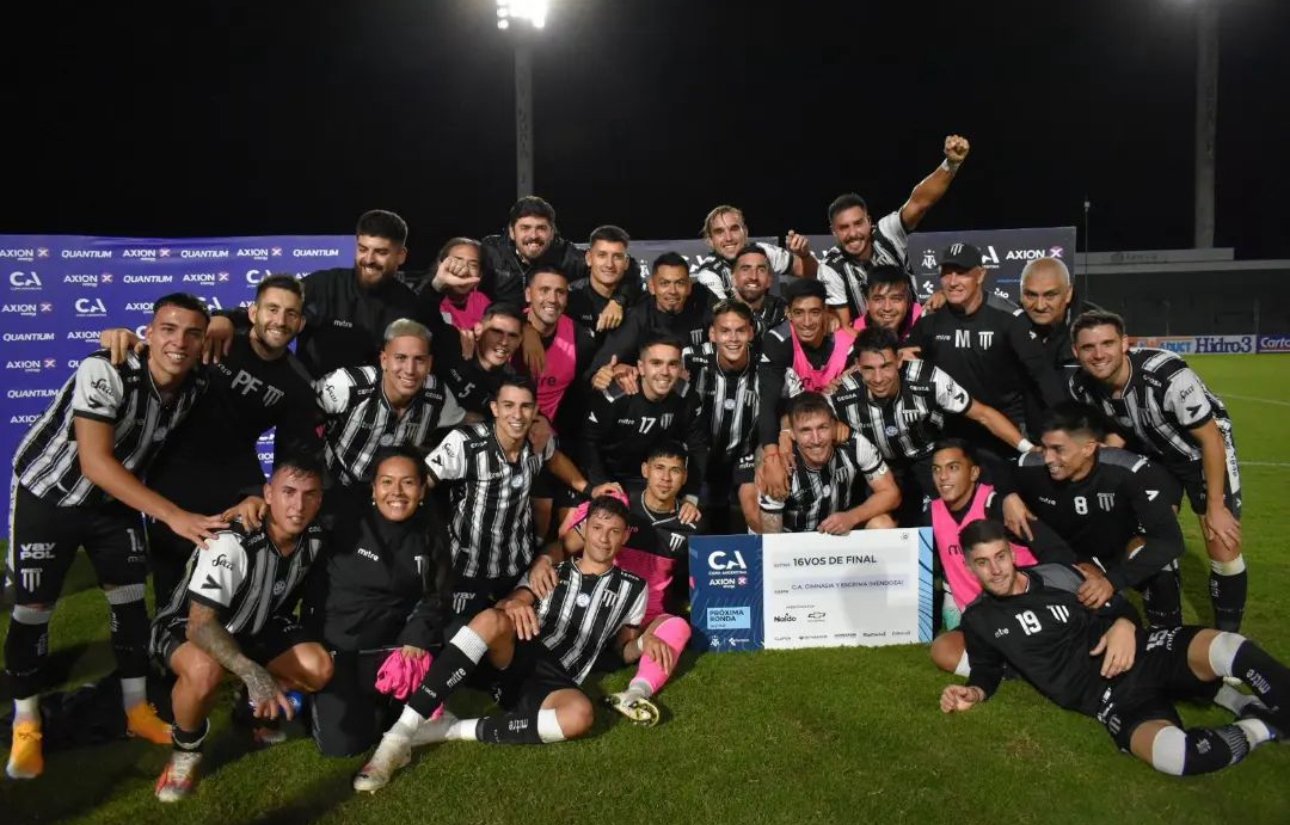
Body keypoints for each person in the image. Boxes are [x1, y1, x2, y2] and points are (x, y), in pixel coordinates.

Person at [5, 294, 222, 780]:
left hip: (112, 503)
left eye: (193, 333)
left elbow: (251, 325)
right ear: (149, 332)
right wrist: (173, 516)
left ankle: (136, 710)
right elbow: (94, 463)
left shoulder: (197, 383)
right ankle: (26, 722)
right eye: (168, 329)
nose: (180, 342)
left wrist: (227, 322)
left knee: (129, 602)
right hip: (50, 494)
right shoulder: (106, 368)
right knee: (33, 607)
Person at [941, 519, 1289, 777]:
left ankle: (1254, 704)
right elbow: (986, 669)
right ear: (969, 566)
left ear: (1012, 553)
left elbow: (1119, 607)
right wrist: (974, 692)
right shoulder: (979, 619)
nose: (996, 570)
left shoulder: (1057, 575)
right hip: (1106, 696)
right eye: (982, 562)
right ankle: (1264, 727)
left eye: (1000, 556)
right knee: (1177, 756)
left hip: (1141, 652)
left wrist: (1124, 624)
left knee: (1226, 646)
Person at [352, 496, 650, 793]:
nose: (604, 538)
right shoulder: (551, 570)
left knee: (580, 715)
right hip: (522, 649)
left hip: (557, 680)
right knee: (491, 619)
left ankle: (450, 729)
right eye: (597, 528)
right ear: (583, 529)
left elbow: (622, 650)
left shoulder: (635, 588)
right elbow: (511, 602)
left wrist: (644, 643)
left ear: (625, 535)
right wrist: (515, 603)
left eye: (614, 531)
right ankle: (398, 736)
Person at [100, 274, 322, 602]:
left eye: (291, 314)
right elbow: (162, 349)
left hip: (231, 484)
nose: (280, 320)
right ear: (253, 313)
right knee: (169, 589)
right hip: (170, 474)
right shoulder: (218, 336)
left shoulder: (299, 384)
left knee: (222, 589)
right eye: (272, 309)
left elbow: (290, 457)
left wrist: (260, 494)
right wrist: (123, 337)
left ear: (300, 323)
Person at [149, 454, 333, 801]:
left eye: (309, 494)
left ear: (320, 499)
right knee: (205, 671)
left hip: (258, 626)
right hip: (187, 624)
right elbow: (200, 625)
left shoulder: (316, 535)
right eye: (288, 492)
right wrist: (252, 672)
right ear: (268, 493)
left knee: (318, 667)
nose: (298, 506)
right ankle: (186, 749)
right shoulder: (233, 539)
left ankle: (247, 710)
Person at [1068, 310, 1246, 630]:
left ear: (1125, 343)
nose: (1098, 354)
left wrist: (1215, 507)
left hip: (1199, 453)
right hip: (1152, 456)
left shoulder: (1167, 375)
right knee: (1146, 544)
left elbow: (1211, 439)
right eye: (1088, 347)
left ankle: (1226, 637)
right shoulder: (1081, 387)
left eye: (1107, 343)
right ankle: (1168, 636)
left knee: (1222, 540)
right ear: (1075, 352)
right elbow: (1116, 429)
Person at [304, 447, 455, 757]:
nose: (396, 492)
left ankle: (385, 699)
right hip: (340, 649)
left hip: (393, 649)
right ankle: (315, 697)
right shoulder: (344, 517)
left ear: (422, 489)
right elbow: (296, 508)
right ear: (373, 488)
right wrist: (255, 499)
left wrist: (416, 636)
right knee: (343, 746)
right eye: (387, 482)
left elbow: (438, 593)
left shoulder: (431, 529)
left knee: (459, 632)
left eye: (408, 483)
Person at [425, 378, 611, 618]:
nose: (517, 414)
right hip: (465, 568)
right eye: (509, 405)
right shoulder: (465, 443)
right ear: (495, 408)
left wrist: (590, 489)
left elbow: (554, 459)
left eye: (525, 406)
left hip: (516, 565)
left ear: (535, 410)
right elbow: (422, 481)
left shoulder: (537, 440)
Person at [544, 443, 698, 725]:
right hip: (605, 607)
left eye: (675, 471)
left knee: (678, 626)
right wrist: (543, 561)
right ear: (645, 470)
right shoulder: (620, 508)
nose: (666, 478)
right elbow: (566, 546)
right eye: (659, 468)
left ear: (684, 477)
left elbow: (697, 583)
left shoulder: (691, 524)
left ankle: (636, 692)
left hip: (647, 617)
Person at [996, 402, 1187, 628]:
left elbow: (1170, 541)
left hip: (1120, 551)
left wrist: (1112, 581)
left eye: (1058, 449)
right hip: (1067, 556)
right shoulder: (1033, 466)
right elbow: (997, 471)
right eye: (1044, 447)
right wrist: (1008, 495)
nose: (1048, 458)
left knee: (1163, 568)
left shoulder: (1127, 472)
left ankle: (1166, 633)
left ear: (1088, 448)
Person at [830, 326, 1035, 524]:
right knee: (879, 523)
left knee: (945, 513)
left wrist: (1029, 449)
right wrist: (833, 426)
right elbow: (811, 420)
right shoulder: (842, 393)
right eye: (868, 369)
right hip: (880, 467)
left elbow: (983, 414)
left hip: (928, 457)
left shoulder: (929, 379)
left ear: (899, 360)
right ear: (857, 365)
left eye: (886, 366)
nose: (878, 378)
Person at [924, 440, 1076, 676]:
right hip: (981, 618)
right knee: (944, 650)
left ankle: (1025, 660)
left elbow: (1056, 551)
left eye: (953, 468)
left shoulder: (999, 506)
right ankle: (1018, 668)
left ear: (974, 473)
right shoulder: (931, 513)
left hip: (1027, 608)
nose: (943, 477)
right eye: (937, 470)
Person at [206, 210, 420, 377]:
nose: (369, 259)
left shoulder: (411, 306)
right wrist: (225, 319)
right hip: (310, 405)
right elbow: (273, 313)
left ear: (401, 255)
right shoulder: (323, 284)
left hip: (373, 412)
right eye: (363, 249)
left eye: (381, 252)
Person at [904, 242, 1066, 455]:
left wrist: (1068, 428)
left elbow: (1043, 376)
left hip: (1005, 431)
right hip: (950, 431)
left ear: (980, 275)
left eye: (962, 273)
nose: (952, 281)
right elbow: (906, 361)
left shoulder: (1009, 318)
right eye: (946, 273)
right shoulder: (930, 317)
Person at [315, 319, 465, 518]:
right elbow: (299, 419)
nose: (410, 369)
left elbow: (469, 427)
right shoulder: (348, 385)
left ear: (430, 364)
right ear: (384, 360)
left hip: (394, 503)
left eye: (419, 360)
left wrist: (433, 470)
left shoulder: (438, 397)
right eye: (400, 358)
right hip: (335, 491)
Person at [818, 135, 970, 325]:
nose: (853, 233)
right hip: (866, 338)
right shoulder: (830, 267)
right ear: (833, 232)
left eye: (858, 223)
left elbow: (920, 203)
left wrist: (951, 165)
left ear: (869, 222)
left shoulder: (886, 234)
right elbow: (844, 329)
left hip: (913, 329)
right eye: (843, 228)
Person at [581, 335, 709, 507]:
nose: (665, 372)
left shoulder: (687, 397)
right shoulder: (616, 395)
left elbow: (698, 446)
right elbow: (588, 442)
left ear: (680, 368)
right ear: (641, 367)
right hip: (609, 476)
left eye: (672, 364)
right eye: (656, 363)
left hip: (653, 480)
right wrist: (600, 484)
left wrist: (690, 497)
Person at [756, 279, 857, 496]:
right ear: (788, 314)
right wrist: (773, 454)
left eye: (815, 312)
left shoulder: (848, 344)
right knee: (770, 473)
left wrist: (838, 423)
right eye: (799, 313)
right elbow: (768, 402)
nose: (807, 322)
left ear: (826, 312)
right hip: (789, 429)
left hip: (833, 428)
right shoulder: (778, 341)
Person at [756, 393, 900, 534]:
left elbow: (891, 493)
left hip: (840, 532)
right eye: (806, 430)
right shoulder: (779, 466)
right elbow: (771, 538)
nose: (816, 439)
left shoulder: (854, 445)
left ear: (834, 426)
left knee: (883, 524)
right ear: (792, 434)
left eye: (822, 427)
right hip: (794, 540)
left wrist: (851, 517)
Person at [684, 300, 762, 532]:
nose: (733, 338)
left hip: (744, 458)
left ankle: (774, 554)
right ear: (712, 334)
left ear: (751, 333)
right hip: (697, 458)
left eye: (740, 331)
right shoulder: (689, 359)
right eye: (725, 331)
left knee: (756, 516)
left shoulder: (767, 366)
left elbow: (795, 406)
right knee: (695, 525)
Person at [481, 196, 628, 308]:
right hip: (501, 330)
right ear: (512, 232)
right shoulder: (491, 251)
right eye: (525, 228)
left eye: (541, 228)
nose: (533, 235)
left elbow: (627, 267)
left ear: (552, 232)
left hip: (548, 329)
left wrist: (618, 301)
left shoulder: (565, 255)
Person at [588, 252, 715, 376]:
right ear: (652, 287)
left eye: (680, 283)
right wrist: (615, 371)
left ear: (689, 287)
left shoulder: (702, 306)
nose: (672, 291)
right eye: (664, 283)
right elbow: (598, 369)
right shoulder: (638, 318)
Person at [690, 206, 816, 300]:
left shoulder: (764, 252)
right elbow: (725, 320)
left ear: (745, 232)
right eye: (719, 232)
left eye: (734, 229)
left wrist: (804, 256)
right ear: (710, 241)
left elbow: (812, 273)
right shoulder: (709, 275)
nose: (728, 238)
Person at [1019, 256, 1100, 371]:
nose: (1040, 306)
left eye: (1050, 295)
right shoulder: (1006, 323)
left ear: (1068, 293)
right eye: (1031, 295)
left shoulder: (1098, 324)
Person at [565, 224, 645, 338]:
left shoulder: (640, 302)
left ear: (626, 263)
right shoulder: (570, 298)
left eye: (617, 257)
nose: (609, 264)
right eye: (602, 255)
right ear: (589, 258)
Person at [725, 244, 788, 339]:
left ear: (769, 280)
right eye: (745, 269)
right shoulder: (720, 312)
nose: (753, 277)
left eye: (761, 270)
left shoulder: (782, 311)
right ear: (733, 278)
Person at [426, 237, 490, 330]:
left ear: (480, 274)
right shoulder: (429, 298)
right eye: (457, 262)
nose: (464, 270)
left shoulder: (482, 301)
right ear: (440, 265)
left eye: (473, 265)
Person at [849, 264, 922, 340]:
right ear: (867, 303)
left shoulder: (922, 322)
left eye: (896, 299)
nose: (887, 308)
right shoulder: (849, 338)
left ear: (908, 302)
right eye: (879, 299)